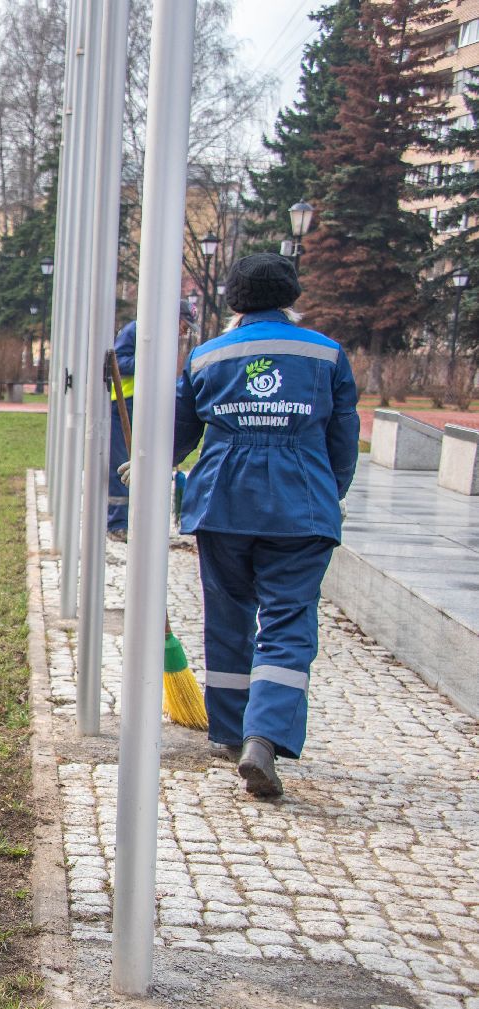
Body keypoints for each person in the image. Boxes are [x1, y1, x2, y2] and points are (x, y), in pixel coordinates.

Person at [168, 253, 359, 797]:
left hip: (222, 504)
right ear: (291, 297)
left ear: (234, 301)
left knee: (228, 614)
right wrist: (330, 493)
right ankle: (264, 736)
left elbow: (178, 431)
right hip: (301, 506)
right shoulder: (326, 353)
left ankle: (231, 730)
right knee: (287, 622)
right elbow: (343, 439)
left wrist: (153, 463)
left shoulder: (207, 356)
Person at [108, 300, 196, 541]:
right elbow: (118, 361)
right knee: (123, 463)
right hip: (125, 404)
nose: (184, 332)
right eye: (184, 325)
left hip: (150, 403)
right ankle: (117, 523)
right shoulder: (137, 330)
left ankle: (142, 521)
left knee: (147, 460)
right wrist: (150, 362)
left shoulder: (164, 337)